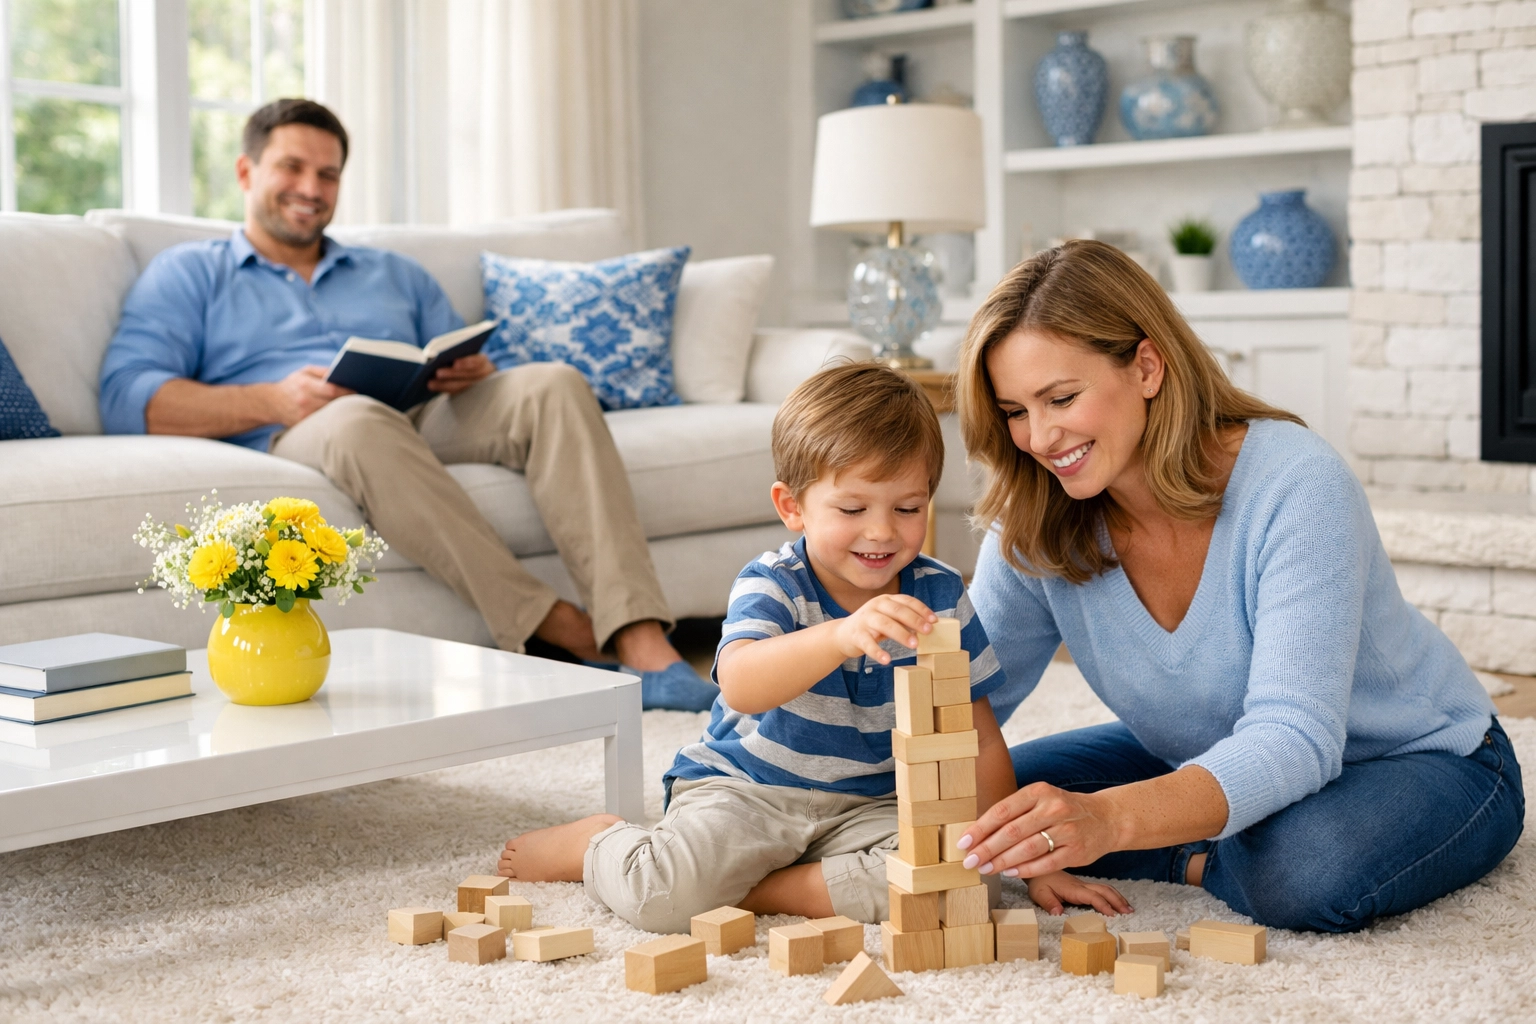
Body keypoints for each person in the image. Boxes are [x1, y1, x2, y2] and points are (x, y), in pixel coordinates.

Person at [950, 240, 1523, 931]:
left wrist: (1110, 821)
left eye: (1061, 398)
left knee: (1305, 872)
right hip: (1205, 751)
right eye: (1014, 411)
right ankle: (1207, 833)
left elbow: (1296, 737)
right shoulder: (1035, 520)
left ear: (1147, 367)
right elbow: (963, 704)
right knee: (996, 809)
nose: (1039, 437)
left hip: (1414, 757)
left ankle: (1196, 854)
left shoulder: (1296, 484)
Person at [98, 98, 715, 710]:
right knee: (357, 417)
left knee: (552, 382)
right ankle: (558, 625)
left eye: (328, 174)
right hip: (301, 424)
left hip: (417, 412)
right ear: (245, 172)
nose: (311, 188)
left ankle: (641, 640)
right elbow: (126, 397)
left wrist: (473, 370)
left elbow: (454, 353)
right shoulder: (189, 273)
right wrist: (272, 398)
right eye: (292, 168)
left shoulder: (392, 271)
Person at [496, 363, 1129, 930]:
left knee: (962, 881)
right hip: (750, 791)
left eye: (908, 508)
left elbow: (978, 738)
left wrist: (1023, 860)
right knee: (659, 897)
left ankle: (756, 891)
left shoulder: (938, 592)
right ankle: (599, 843)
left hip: (872, 805)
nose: (882, 532)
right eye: (852, 508)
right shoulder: (773, 583)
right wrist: (838, 636)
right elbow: (740, 683)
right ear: (792, 506)